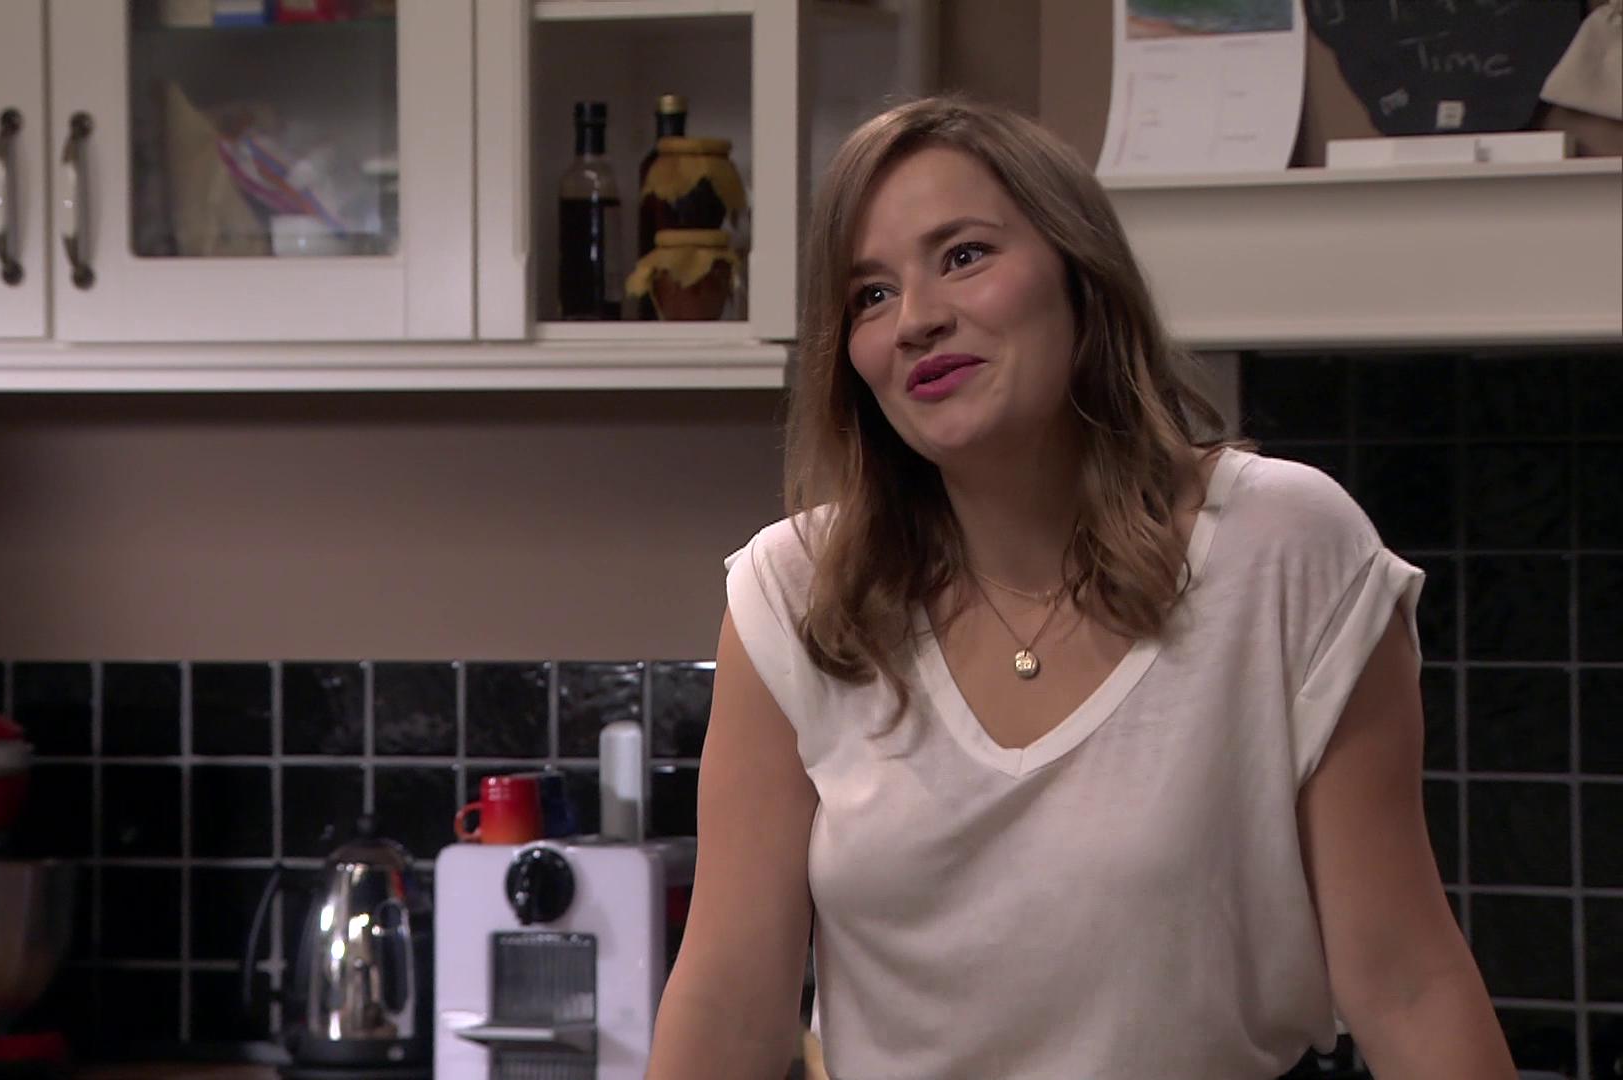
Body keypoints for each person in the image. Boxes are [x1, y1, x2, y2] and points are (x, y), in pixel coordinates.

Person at [645, 97, 1515, 1079]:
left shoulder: (1285, 548)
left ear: (1080, 275)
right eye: (871, 295)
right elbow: (728, 1009)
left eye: (964, 255)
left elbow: (1407, 985)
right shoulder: (797, 593)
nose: (917, 319)